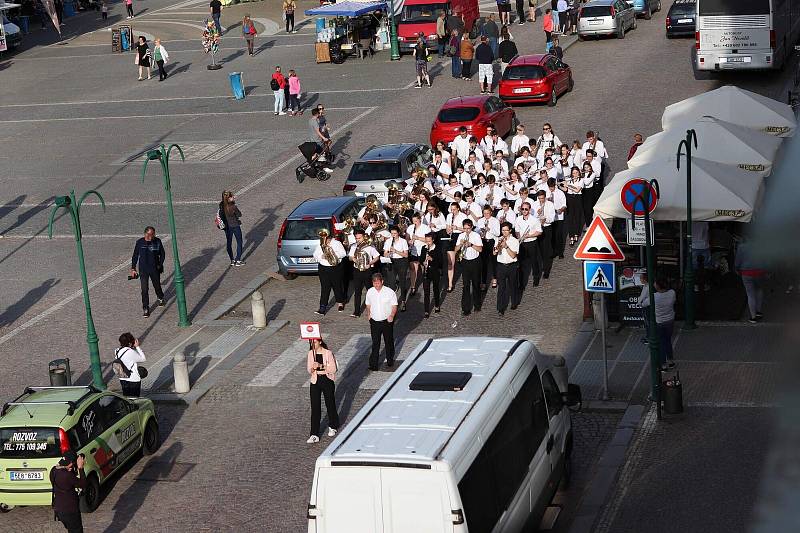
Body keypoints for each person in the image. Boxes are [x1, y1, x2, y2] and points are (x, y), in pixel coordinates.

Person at [306, 338, 339, 443]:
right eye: (311, 342)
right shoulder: (310, 353)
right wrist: (312, 368)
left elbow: (333, 369)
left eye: (314, 342)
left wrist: (321, 366)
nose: (313, 344)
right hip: (315, 381)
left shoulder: (328, 353)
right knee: (315, 407)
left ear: (320, 342)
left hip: (327, 380)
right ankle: (314, 434)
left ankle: (333, 425)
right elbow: (309, 369)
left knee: (330, 403)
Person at [365, 273, 398, 370]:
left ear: (382, 282)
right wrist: (369, 314)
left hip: (386, 321)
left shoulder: (389, 292)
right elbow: (368, 304)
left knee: (389, 341)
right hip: (374, 321)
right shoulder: (370, 292)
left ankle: (390, 360)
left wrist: (392, 315)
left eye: (378, 283)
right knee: (375, 342)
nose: (376, 285)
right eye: (374, 283)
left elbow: (394, 305)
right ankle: (373, 364)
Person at [131, 226, 165, 318]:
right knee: (144, 289)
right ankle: (146, 308)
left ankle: (160, 297)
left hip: (154, 269)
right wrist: (133, 268)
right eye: (151, 234)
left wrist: (160, 264)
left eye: (153, 234)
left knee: (157, 286)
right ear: (146, 234)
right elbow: (135, 255)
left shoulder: (157, 241)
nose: (153, 236)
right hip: (143, 270)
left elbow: (162, 254)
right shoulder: (139, 243)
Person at [50, 450, 87, 533]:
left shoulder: (53, 471)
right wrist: (80, 468)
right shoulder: (67, 476)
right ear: (71, 463)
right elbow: (83, 483)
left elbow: (60, 470)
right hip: (70, 511)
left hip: (59, 509)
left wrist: (68, 468)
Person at [313, 230, 346, 315]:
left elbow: (343, 253)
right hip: (323, 268)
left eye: (326, 238)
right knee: (325, 288)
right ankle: (322, 307)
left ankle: (340, 303)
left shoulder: (337, 243)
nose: (324, 240)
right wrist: (321, 256)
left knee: (337, 286)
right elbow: (315, 254)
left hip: (335, 267)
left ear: (330, 238)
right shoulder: (321, 243)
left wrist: (332, 255)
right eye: (323, 238)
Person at [349, 229, 380, 317]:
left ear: (364, 237)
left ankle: (374, 309)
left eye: (359, 238)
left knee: (370, 291)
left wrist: (370, 263)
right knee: (357, 291)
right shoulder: (354, 246)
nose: (358, 240)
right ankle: (356, 311)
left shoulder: (369, 246)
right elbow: (350, 257)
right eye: (356, 238)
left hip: (367, 270)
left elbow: (377, 257)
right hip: (357, 270)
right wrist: (354, 259)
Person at [455, 219, 483, 315]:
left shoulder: (476, 235)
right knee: (465, 285)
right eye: (465, 228)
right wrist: (460, 245)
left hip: (475, 262)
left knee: (476, 284)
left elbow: (480, 249)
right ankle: (466, 308)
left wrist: (471, 245)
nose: (466, 230)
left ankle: (477, 305)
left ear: (471, 227)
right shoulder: (461, 236)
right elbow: (455, 249)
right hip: (465, 262)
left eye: (468, 228)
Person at [735, 237, 766, 323]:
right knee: (759, 289)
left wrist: (737, 268)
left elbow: (737, 261)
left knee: (750, 294)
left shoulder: (741, 247)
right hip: (759, 271)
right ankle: (759, 311)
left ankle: (753, 317)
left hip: (746, 272)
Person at [515, 201, 543, 289]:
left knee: (534, 261)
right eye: (522, 209)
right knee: (521, 263)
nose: (524, 211)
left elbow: (539, 232)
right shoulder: (518, 219)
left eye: (526, 209)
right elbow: (516, 230)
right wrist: (519, 237)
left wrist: (529, 235)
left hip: (532, 242)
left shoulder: (534, 220)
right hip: (522, 243)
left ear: (529, 210)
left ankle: (536, 278)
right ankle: (521, 282)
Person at [494, 222, 520, 314]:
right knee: (501, 287)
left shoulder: (514, 241)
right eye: (502, 230)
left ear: (510, 231)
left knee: (512, 285)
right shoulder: (499, 239)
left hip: (512, 266)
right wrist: (497, 249)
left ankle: (514, 303)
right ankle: (500, 308)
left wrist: (506, 246)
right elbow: (494, 253)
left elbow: (513, 255)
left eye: (506, 230)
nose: (504, 232)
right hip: (501, 266)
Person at [383, 225, 410, 311]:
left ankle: (403, 301)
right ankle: (393, 302)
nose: (393, 235)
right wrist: (386, 254)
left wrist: (396, 251)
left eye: (395, 233)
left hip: (402, 262)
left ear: (398, 233)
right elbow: (385, 253)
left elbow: (406, 255)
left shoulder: (403, 241)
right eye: (392, 233)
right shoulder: (388, 241)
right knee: (391, 282)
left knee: (402, 281)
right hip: (391, 262)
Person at [115, 332, 146, 397]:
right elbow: (143, 359)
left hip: (123, 378)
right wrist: (137, 347)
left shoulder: (117, 351)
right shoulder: (130, 352)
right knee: (134, 399)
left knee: (126, 398)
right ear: (129, 343)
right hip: (133, 379)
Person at [219, 191, 244, 266]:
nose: (234, 197)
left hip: (227, 227)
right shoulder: (233, 206)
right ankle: (238, 260)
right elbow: (239, 214)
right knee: (239, 242)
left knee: (229, 243)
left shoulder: (221, 205)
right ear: (229, 198)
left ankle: (232, 260)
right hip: (235, 226)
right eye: (232, 196)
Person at [534, 190, 555, 278]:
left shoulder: (550, 204)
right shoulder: (535, 204)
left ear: (545, 197)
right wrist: (537, 214)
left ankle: (546, 270)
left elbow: (552, 218)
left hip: (546, 228)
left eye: (542, 198)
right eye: (539, 199)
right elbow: (532, 217)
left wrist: (545, 219)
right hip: (538, 228)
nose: (541, 201)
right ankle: (542, 265)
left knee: (546, 249)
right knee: (539, 250)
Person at [419, 233, 442, 317]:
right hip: (426, 271)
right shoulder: (424, 248)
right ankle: (426, 310)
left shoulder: (438, 248)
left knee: (436, 289)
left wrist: (432, 259)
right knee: (426, 291)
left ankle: (436, 305)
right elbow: (421, 258)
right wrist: (423, 262)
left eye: (429, 241)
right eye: (426, 241)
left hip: (435, 271)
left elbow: (440, 262)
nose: (427, 243)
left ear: (433, 240)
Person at [562, 166, 583, 245]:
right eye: (573, 173)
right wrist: (560, 185)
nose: (575, 174)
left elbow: (577, 190)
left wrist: (568, 185)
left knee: (577, 217)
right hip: (570, 198)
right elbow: (566, 190)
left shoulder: (581, 180)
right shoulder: (569, 180)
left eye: (576, 173)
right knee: (570, 217)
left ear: (579, 173)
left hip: (578, 198)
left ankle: (576, 233)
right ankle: (571, 236)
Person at [547, 178, 567, 259]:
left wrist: (560, 210)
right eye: (549, 187)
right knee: (552, 236)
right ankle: (554, 251)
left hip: (559, 217)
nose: (551, 188)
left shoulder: (560, 193)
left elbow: (564, 205)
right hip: (550, 218)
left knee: (559, 235)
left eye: (552, 186)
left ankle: (560, 252)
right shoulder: (547, 193)